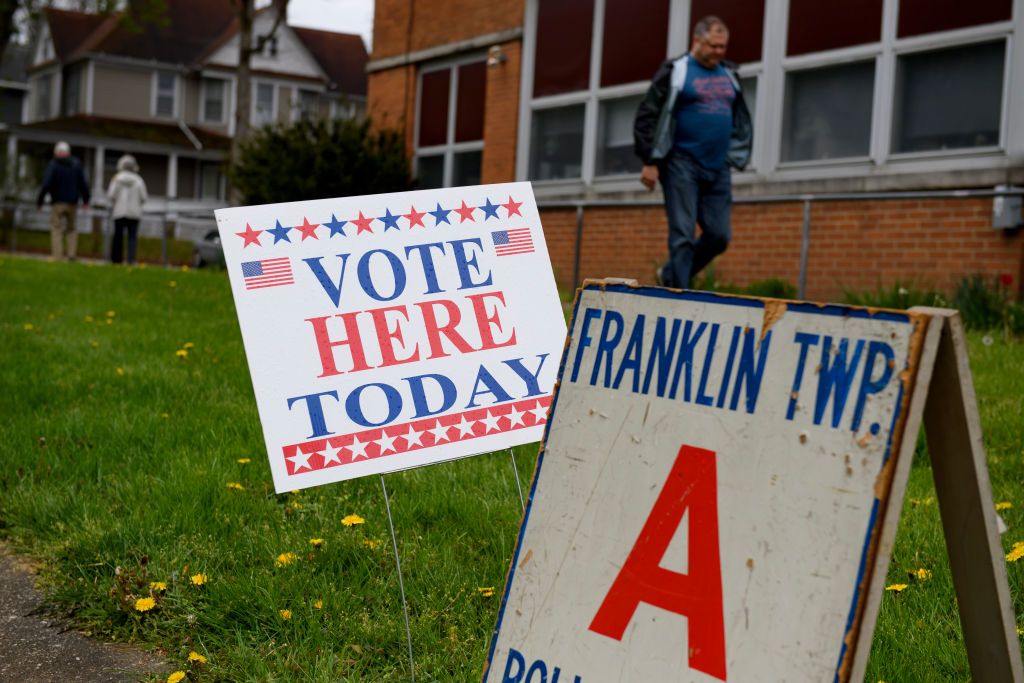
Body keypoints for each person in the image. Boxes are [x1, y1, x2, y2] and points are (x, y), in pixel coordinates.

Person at [633, 16, 752, 289]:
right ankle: (679, 297)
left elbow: (738, 118)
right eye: (713, 46)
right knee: (683, 235)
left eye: (723, 47)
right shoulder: (677, 70)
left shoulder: (729, 75)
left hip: (718, 166)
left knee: (719, 236)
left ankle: (671, 275)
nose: (719, 52)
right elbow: (647, 115)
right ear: (696, 41)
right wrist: (650, 160)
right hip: (681, 163)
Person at [36, 141, 91, 261]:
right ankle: (71, 254)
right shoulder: (76, 165)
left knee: (56, 228)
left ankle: (57, 255)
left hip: (58, 202)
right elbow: (83, 184)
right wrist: (86, 200)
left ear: (57, 153)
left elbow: (46, 184)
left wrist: (40, 201)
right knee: (71, 229)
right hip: (73, 202)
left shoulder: (54, 165)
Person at [106, 154, 148, 265]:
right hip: (134, 213)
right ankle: (131, 260)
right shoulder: (139, 180)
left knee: (118, 237)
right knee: (132, 238)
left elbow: (111, 195)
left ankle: (116, 260)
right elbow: (144, 197)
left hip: (119, 211)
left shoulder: (116, 179)